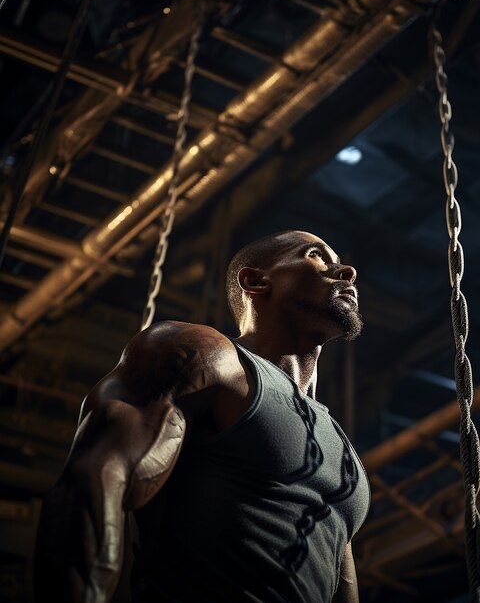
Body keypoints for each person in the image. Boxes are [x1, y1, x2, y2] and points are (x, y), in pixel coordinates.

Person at [34, 230, 370, 603]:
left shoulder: (340, 446)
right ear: (255, 281)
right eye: (316, 256)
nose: (347, 272)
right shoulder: (209, 357)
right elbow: (96, 476)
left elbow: (340, 585)